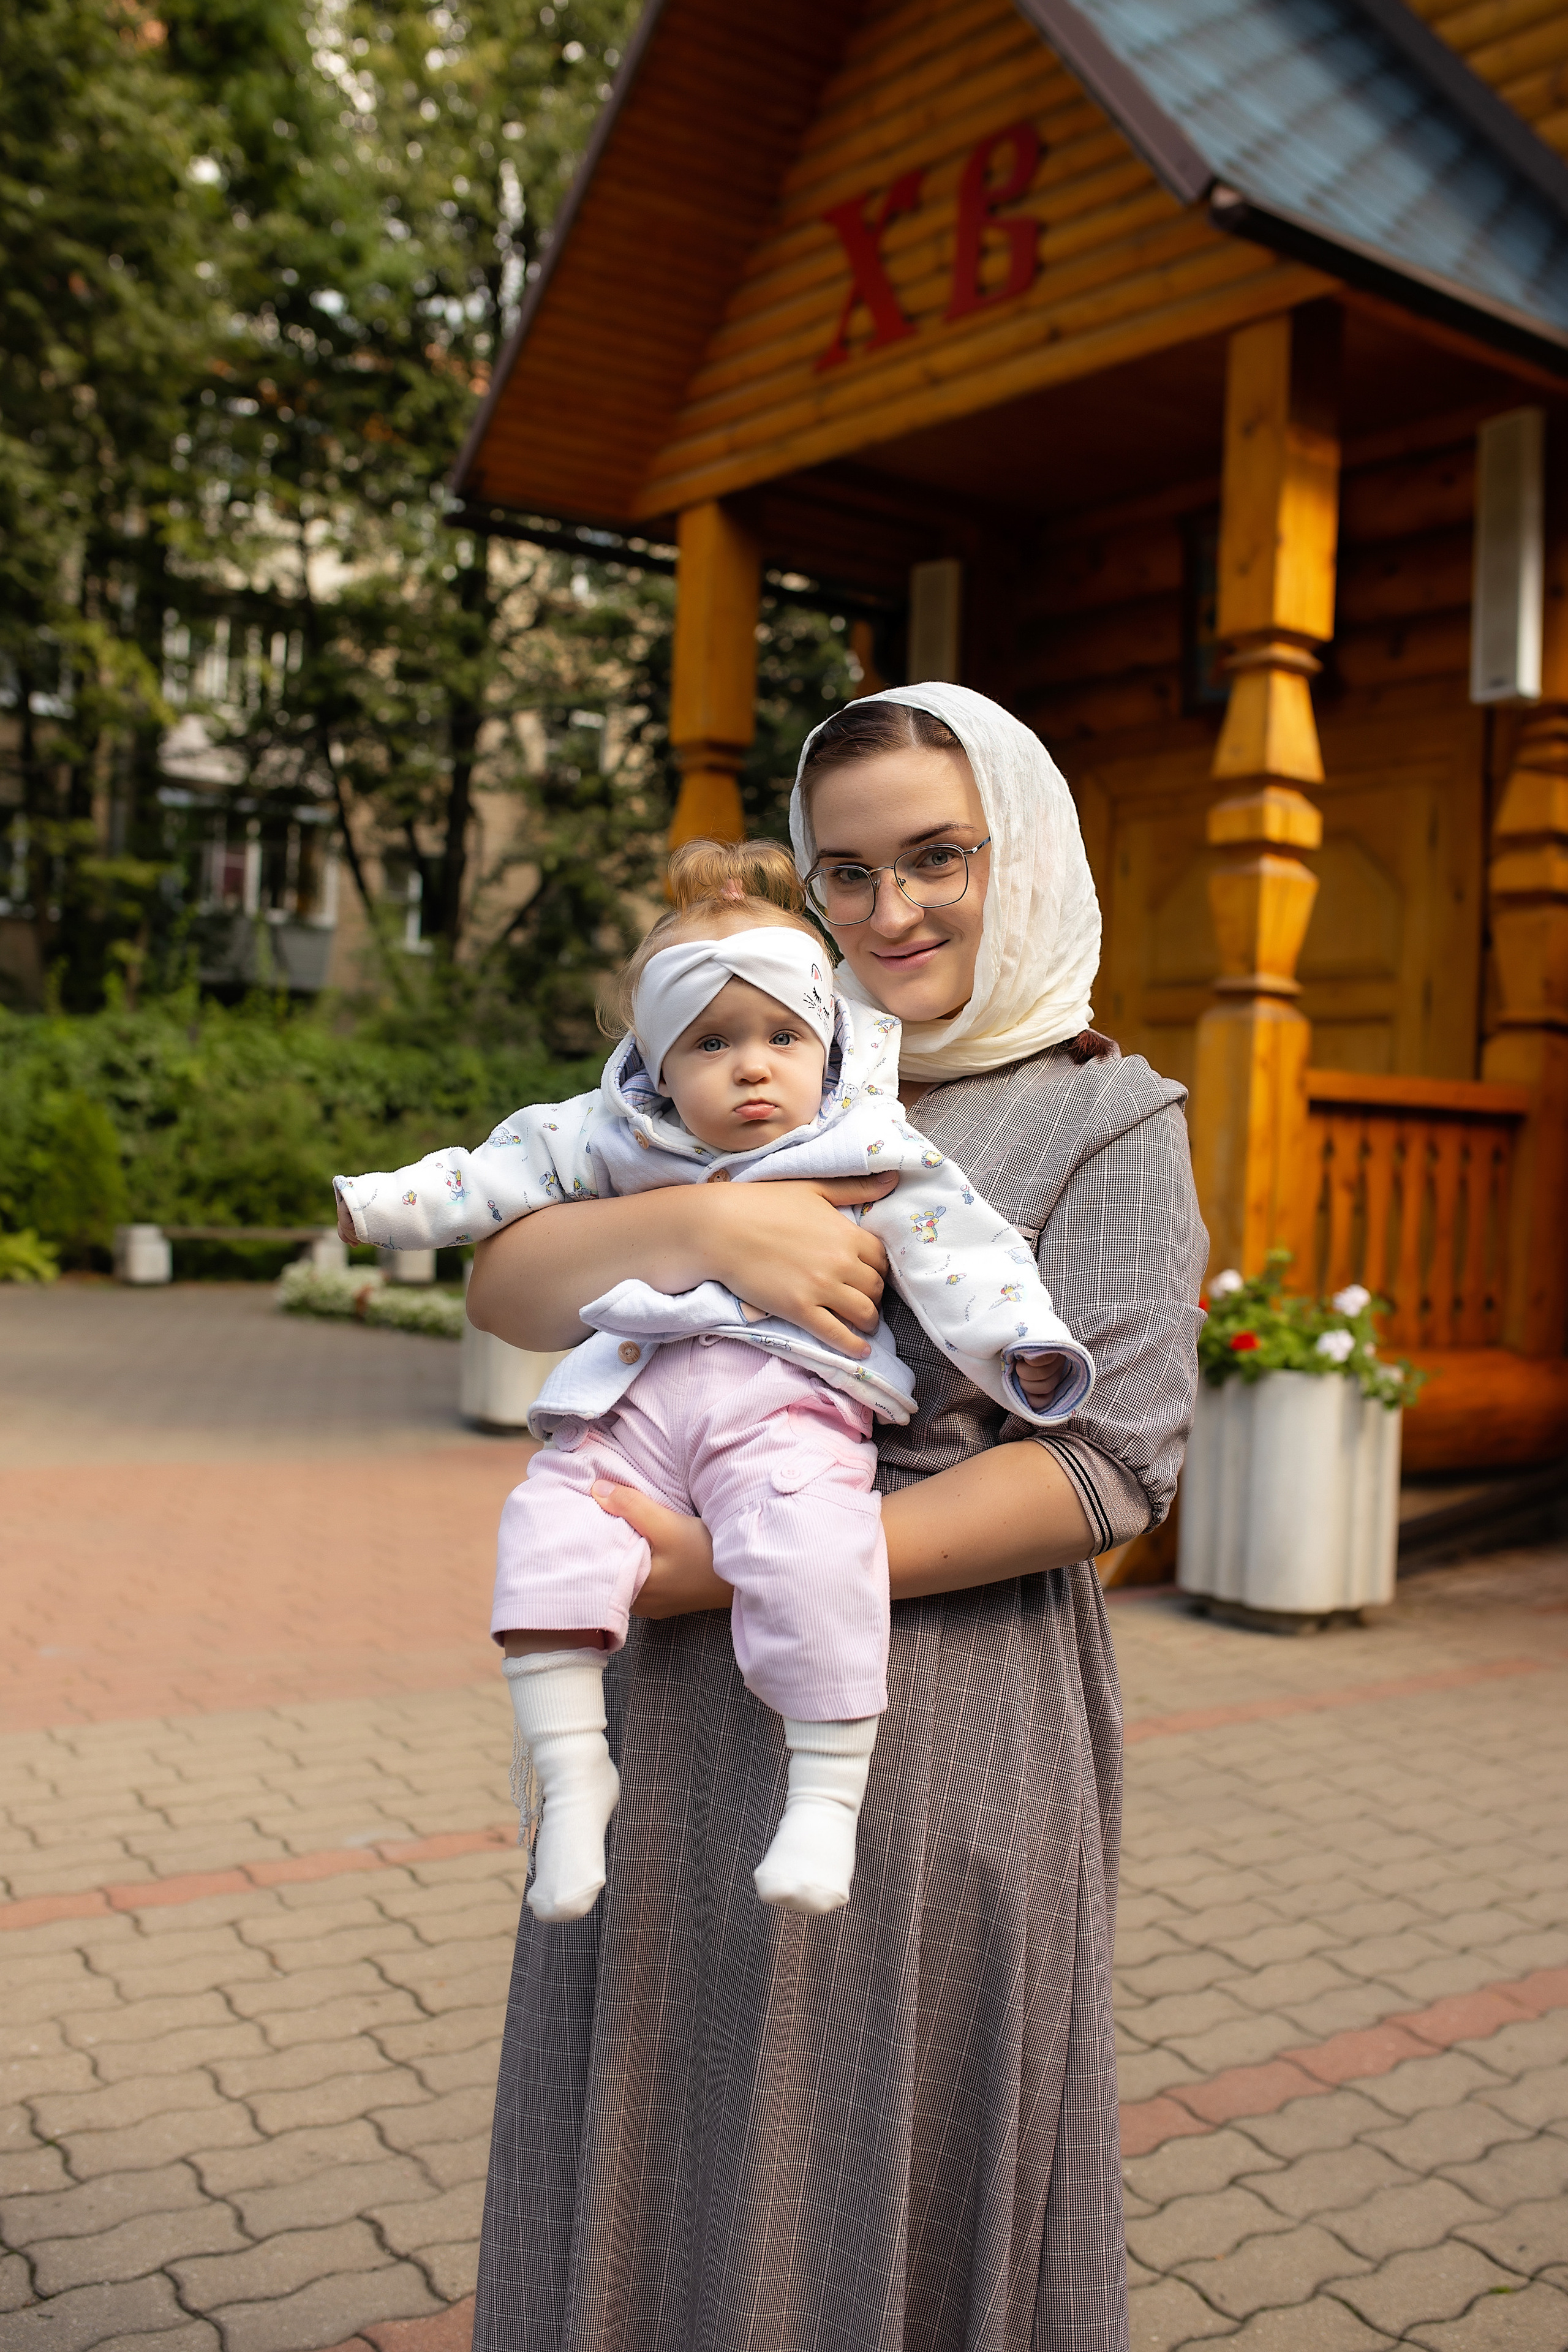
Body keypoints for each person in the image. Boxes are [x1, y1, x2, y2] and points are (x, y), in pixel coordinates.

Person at [467, 683, 1205, 2352]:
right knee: (669, 2136)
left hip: (944, 1722)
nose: (890, 913)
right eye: (845, 870)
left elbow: (1112, 1467)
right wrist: (714, 1235)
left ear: (1018, 853)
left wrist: (729, 1566)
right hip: (679, 1733)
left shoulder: (1107, 1114)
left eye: (937, 858)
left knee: (870, 2161)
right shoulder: (737, 1064)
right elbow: (509, 1283)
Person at [334, 842, 1093, 1921]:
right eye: (713, 1042)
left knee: (812, 1544)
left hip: (791, 1408)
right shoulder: (612, 1135)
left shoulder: (863, 1141)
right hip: (630, 1407)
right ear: (653, 1059)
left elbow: (962, 1250)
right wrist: (379, 1208)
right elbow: (492, 1176)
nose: (752, 1066)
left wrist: (1024, 1346)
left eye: (784, 1036)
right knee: (549, 1525)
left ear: (823, 1042)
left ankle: (824, 1799)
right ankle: (571, 1771)